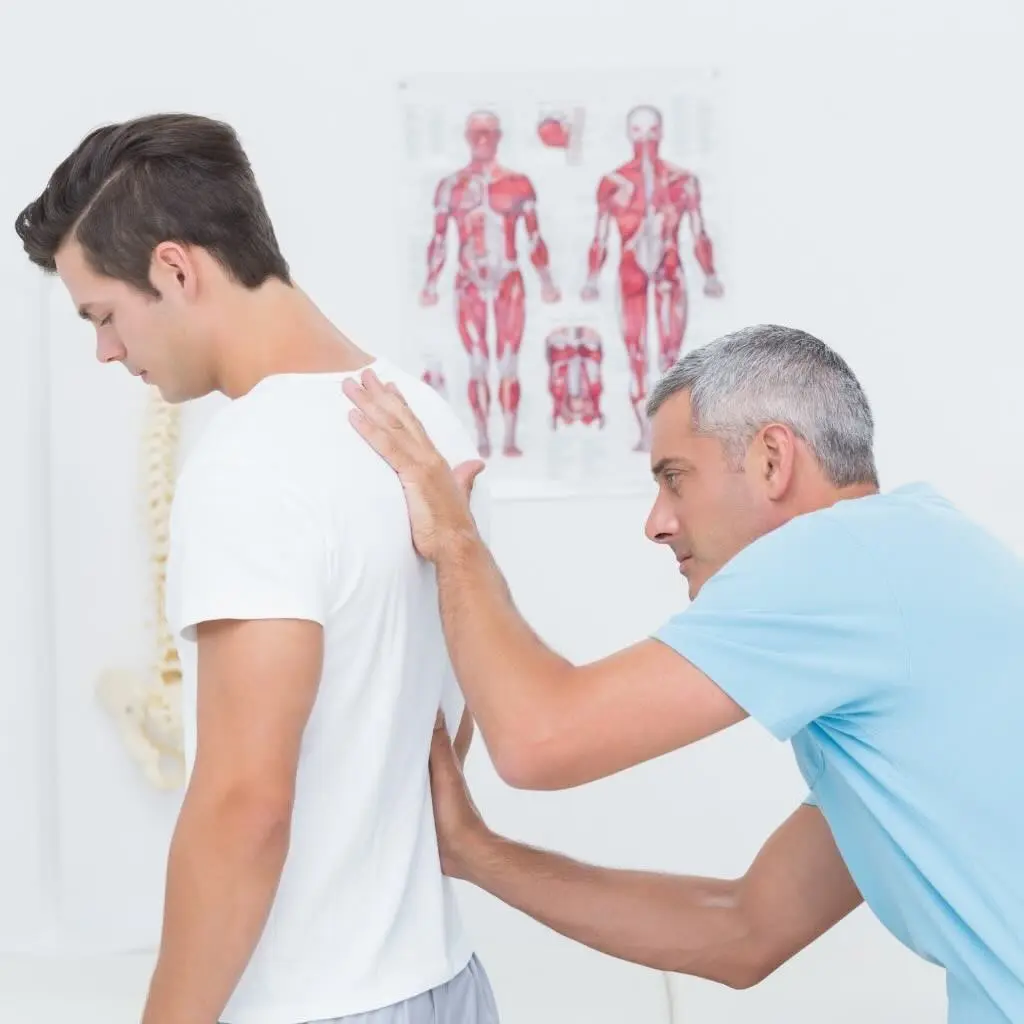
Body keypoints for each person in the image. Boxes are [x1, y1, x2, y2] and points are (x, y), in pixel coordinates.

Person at [341, 324, 1024, 1024]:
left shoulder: (842, 556)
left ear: (771, 460)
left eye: (674, 478)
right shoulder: (912, 565)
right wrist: (477, 853)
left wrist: (456, 541)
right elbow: (743, 931)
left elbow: (538, 738)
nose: (657, 522)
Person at [15, 113, 499, 1024]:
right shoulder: (426, 419)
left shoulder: (250, 465)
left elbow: (244, 806)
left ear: (175, 268)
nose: (106, 352)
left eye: (104, 316)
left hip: (315, 1004)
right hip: (444, 978)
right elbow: (442, 720)